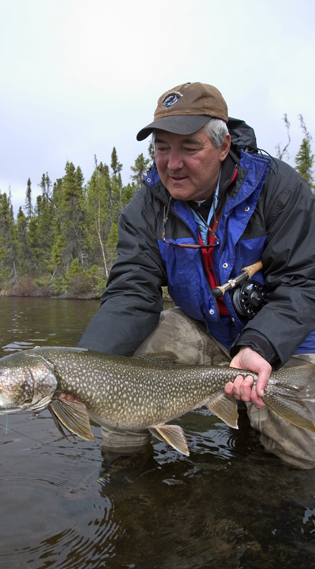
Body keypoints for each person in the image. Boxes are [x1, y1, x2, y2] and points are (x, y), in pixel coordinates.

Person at [77, 82, 315, 467]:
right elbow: (130, 295)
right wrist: (83, 366)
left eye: (189, 148)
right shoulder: (145, 210)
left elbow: (303, 282)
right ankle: (129, 481)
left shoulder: (280, 190)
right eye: (161, 148)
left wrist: (264, 344)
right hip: (204, 327)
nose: (172, 163)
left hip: (284, 336)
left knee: (301, 452)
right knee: (121, 370)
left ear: (223, 147)